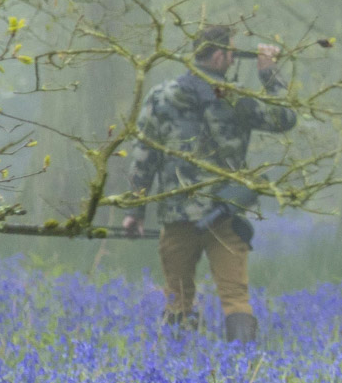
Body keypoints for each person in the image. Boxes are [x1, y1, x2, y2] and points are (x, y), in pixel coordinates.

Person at [122, 25, 298, 342]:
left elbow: (143, 156)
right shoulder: (235, 99)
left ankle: (178, 363)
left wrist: (135, 211)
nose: (232, 61)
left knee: (177, 296)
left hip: (177, 215)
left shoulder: (161, 97)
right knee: (235, 297)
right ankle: (241, 365)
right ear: (218, 56)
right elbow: (284, 117)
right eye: (231, 54)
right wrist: (269, 73)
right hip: (224, 212)